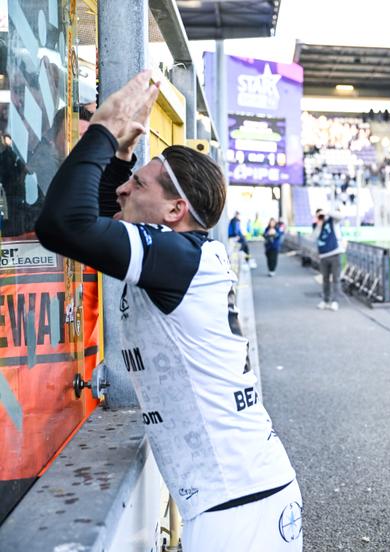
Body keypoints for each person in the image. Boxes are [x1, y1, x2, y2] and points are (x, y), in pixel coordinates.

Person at [34, 72, 302, 551]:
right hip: (237, 497)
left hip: (238, 508)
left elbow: (63, 225)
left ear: (175, 211)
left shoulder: (175, 259)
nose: (122, 190)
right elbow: (97, 216)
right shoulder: (182, 256)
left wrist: (102, 129)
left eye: (137, 184)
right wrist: (118, 158)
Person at [313, 208, 343, 311]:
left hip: (335, 253)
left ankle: (335, 301)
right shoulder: (317, 225)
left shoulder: (333, 221)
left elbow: (340, 216)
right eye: (318, 215)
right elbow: (314, 237)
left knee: (336, 279)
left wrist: (327, 212)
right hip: (323, 256)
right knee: (325, 280)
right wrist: (319, 224)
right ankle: (325, 300)